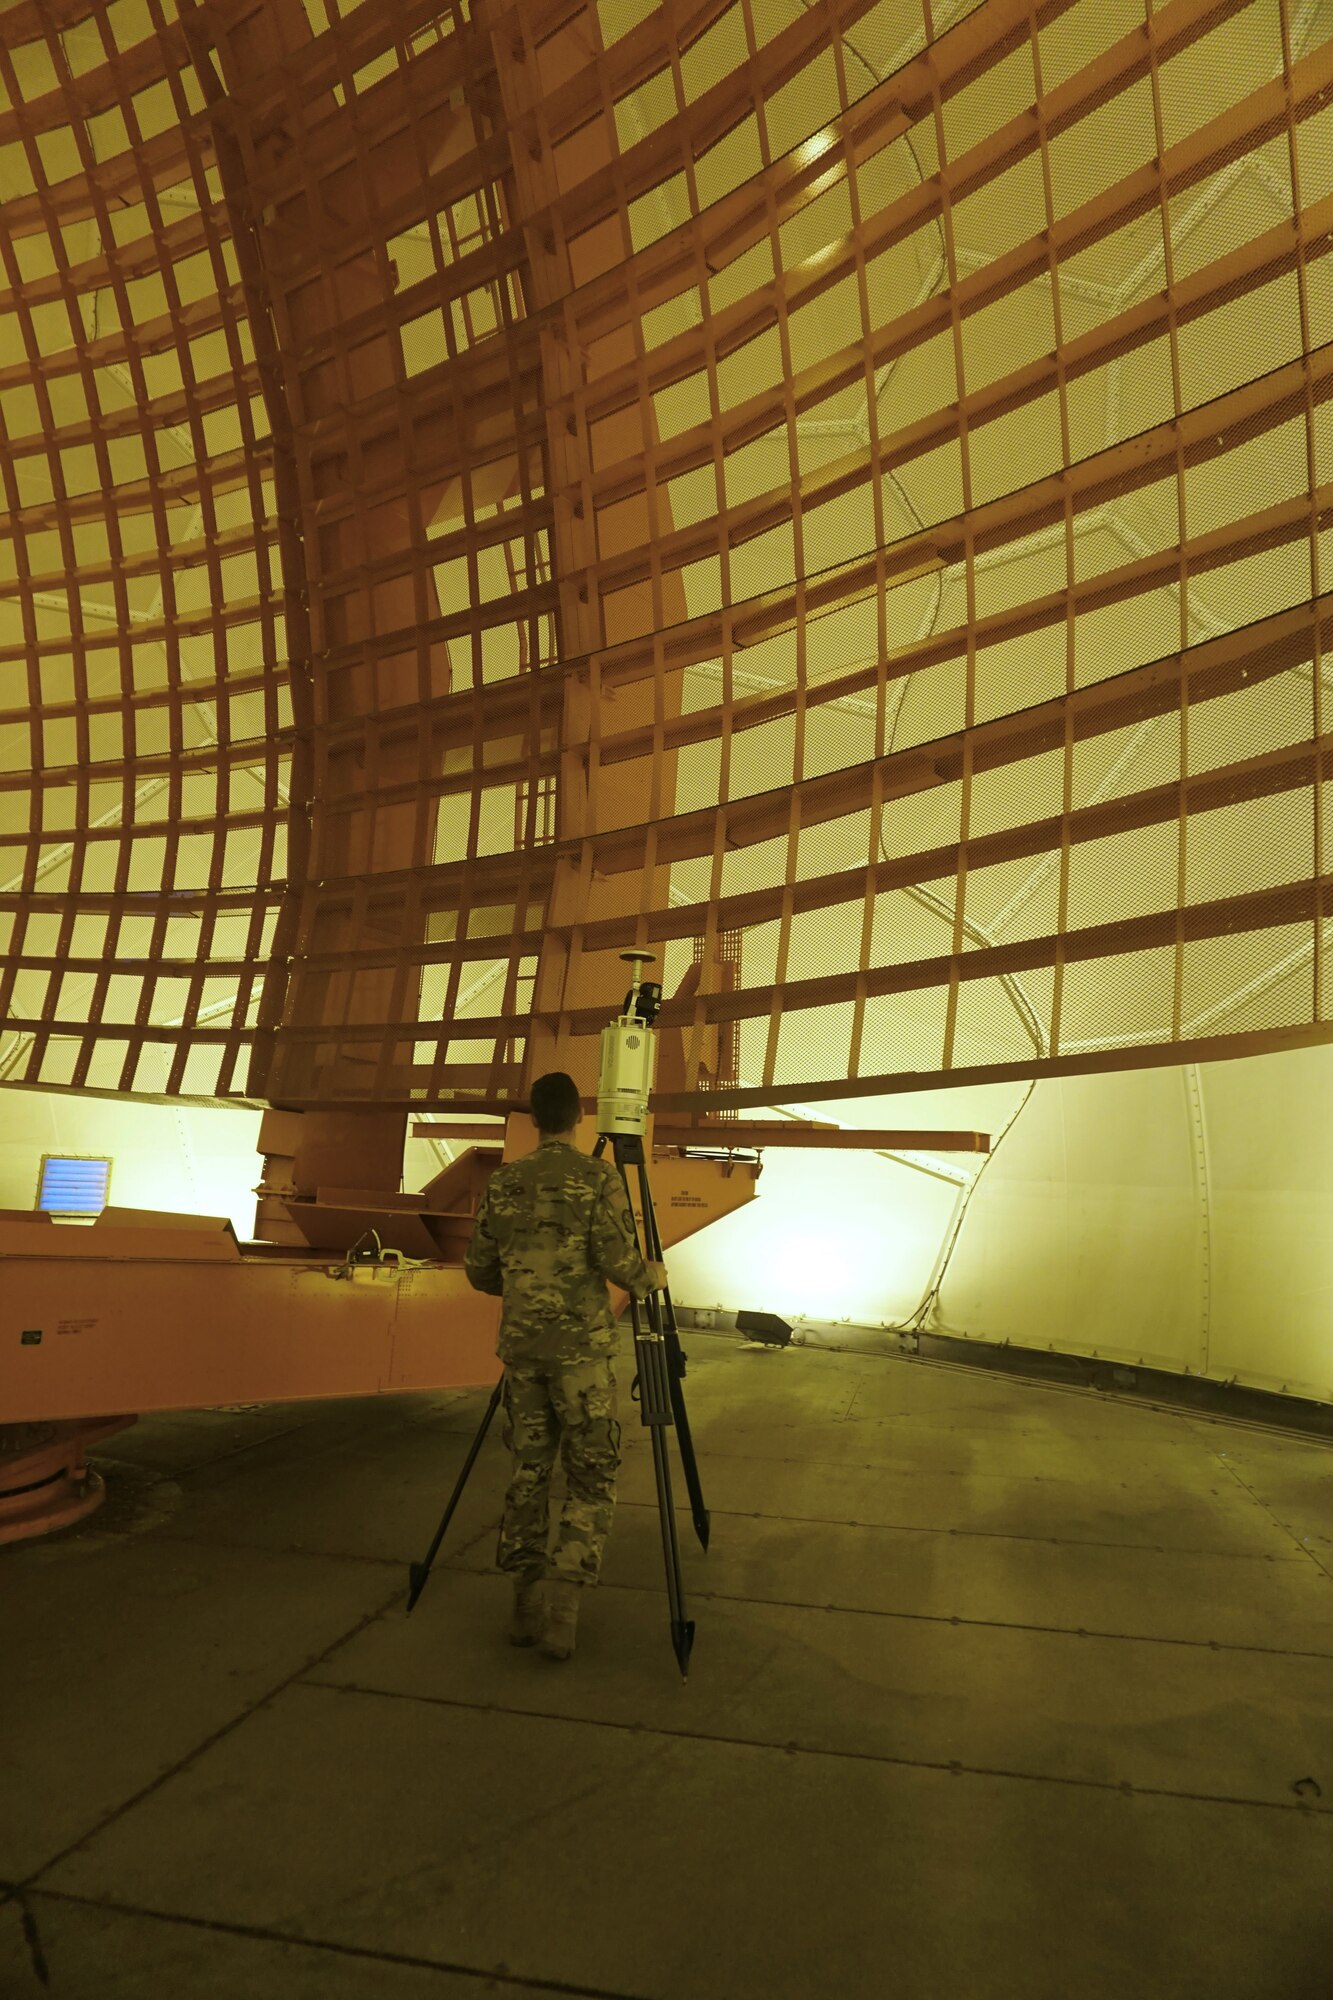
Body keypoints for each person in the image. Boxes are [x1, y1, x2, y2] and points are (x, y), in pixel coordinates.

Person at [463, 1070, 667, 1661]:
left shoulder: (505, 1183)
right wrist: (653, 1274)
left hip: (523, 1357)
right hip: (581, 1358)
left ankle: (523, 1606)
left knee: (528, 1473)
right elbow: (620, 1262)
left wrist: (528, 1284)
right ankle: (563, 1611)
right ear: (579, 1117)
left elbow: (479, 1270)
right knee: (591, 1476)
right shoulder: (597, 1178)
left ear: (533, 1119)